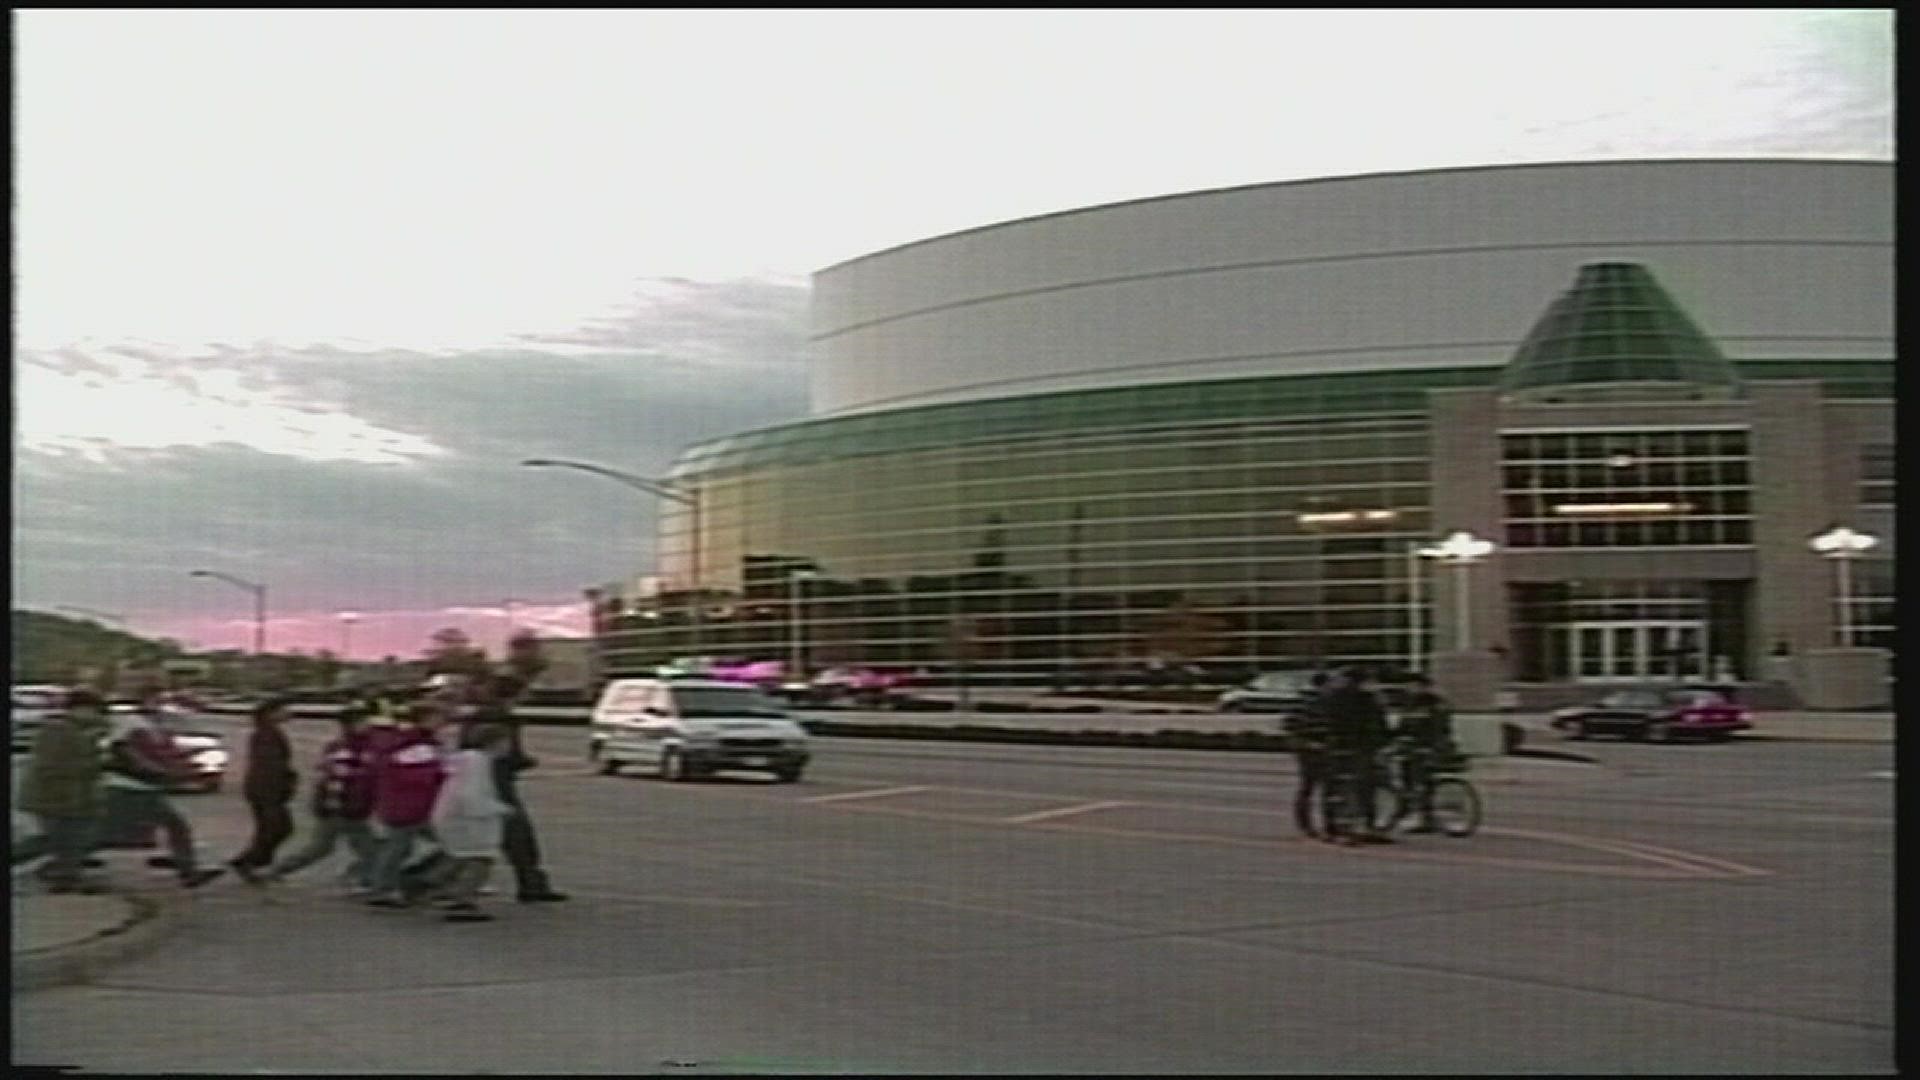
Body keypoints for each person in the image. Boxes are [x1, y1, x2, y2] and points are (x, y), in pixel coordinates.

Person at [96, 696, 224, 888]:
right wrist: (168, 772)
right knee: (173, 827)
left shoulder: (151, 729)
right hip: (130, 787)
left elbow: (164, 755)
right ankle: (188, 871)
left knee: (117, 832)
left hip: (138, 787)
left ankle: (185, 868)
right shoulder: (135, 729)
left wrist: (183, 767)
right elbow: (137, 758)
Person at [261, 704, 380, 892]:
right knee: (365, 849)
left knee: (325, 848)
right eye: (363, 722)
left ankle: (277, 870)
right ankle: (364, 880)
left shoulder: (360, 746)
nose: (369, 725)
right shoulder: (345, 748)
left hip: (347, 806)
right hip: (342, 806)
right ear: (352, 724)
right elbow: (340, 778)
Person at [474, 674, 568, 903]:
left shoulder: (477, 716)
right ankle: (530, 883)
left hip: (478, 779)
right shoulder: (504, 718)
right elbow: (510, 754)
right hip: (500, 781)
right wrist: (525, 761)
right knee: (518, 836)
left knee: (478, 835)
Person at [14, 688, 112, 892]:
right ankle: (65, 876)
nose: (97, 716)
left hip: (72, 796)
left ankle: (65, 873)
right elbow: (51, 765)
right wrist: (91, 763)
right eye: (94, 711)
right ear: (80, 709)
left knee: (71, 837)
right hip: (53, 795)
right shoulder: (57, 730)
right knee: (61, 838)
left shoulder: (78, 730)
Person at [426, 722, 516, 922]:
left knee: (459, 856)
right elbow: (470, 794)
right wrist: (497, 809)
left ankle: (433, 887)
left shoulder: (465, 760)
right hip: (465, 819)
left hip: (450, 815)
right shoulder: (478, 763)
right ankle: (461, 900)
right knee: (480, 859)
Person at [363, 702, 449, 908]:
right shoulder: (417, 745)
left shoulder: (411, 742)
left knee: (401, 847)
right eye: (437, 718)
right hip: (411, 805)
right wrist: (441, 773)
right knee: (399, 848)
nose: (442, 723)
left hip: (409, 804)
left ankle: (395, 885)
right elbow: (418, 776)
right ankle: (388, 887)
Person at [1322, 665, 1393, 845]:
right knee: (1354, 786)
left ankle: (1359, 825)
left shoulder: (1365, 698)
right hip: (1353, 746)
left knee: (1364, 786)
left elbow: (1379, 722)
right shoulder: (1344, 698)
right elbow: (1343, 722)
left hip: (1360, 746)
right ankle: (1345, 826)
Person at [229, 699, 298, 883]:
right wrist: (283, 785)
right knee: (277, 827)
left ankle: (256, 863)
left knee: (272, 829)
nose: (288, 713)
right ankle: (248, 862)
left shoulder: (267, 732)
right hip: (267, 789)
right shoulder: (267, 735)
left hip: (263, 789)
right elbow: (270, 766)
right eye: (283, 709)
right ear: (271, 713)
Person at [1392, 674, 1456, 834]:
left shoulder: (1435, 704)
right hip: (1411, 747)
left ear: (1424, 686)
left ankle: (1425, 815)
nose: (1411, 689)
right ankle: (1414, 810)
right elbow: (1403, 725)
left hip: (1429, 747)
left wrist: (1434, 746)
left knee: (1422, 781)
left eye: (1414, 686)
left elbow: (1440, 728)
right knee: (1407, 778)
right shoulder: (1410, 704)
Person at [1283, 672, 1335, 841]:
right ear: (1323, 685)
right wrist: (1307, 743)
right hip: (1310, 750)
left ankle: (1324, 824)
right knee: (1312, 787)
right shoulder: (1309, 703)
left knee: (1322, 788)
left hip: (1320, 749)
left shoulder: (1322, 702)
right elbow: (1291, 726)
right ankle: (1311, 825)